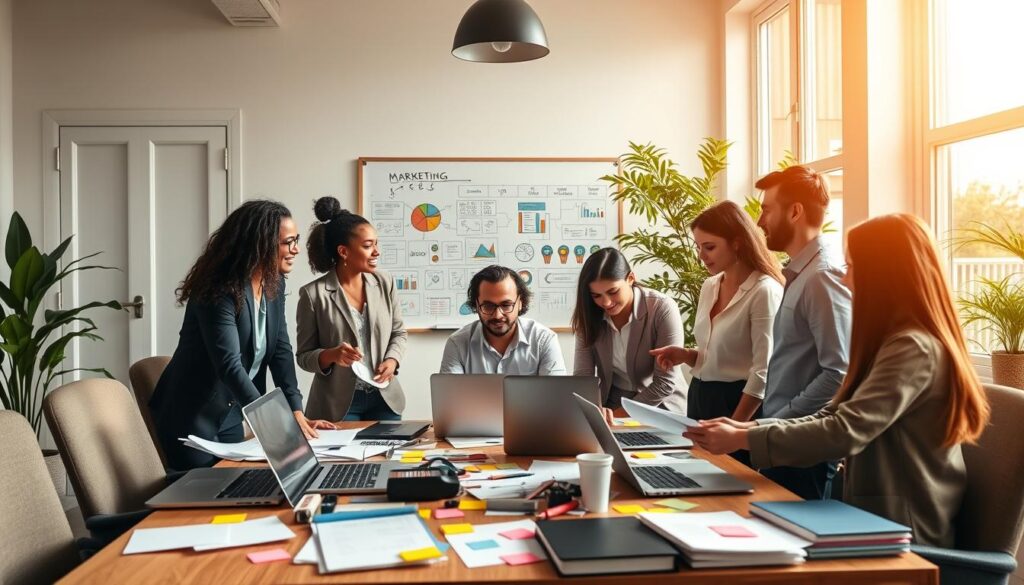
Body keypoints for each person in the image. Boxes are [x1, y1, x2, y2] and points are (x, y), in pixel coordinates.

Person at [684, 213, 990, 548]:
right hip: (871, 514)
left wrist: (744, 440)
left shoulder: (912, 348)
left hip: (904, 528)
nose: (844, 279)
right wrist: (745, 430)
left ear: (885, 274)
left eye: (853, 266)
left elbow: (845, 431)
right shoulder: (893, 341)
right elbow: (832, 415)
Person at [150, 200, 334, 471]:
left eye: (295, 240)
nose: (295, 249)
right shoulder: (217, 289)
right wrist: (277, 423)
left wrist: (295, 411)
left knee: (238, 484)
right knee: (208, 495)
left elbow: (281, 349)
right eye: (288, 242)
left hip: (230, 413)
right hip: (192, 417)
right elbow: (229, 365)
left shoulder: (274, 282)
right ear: (259, 243)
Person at [649, 201, 784, 460]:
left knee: (731, 483)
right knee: (698, 478)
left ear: (737, 242)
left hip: (737, 403)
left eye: (709, 247)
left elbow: (762, 370)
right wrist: (687, 354)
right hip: (700, 396)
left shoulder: (764, 291)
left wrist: (736, 427)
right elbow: (717, 354)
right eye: (698, 247)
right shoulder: (710, 286)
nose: (701, 255)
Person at [295, 197, 408, 422]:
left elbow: (399, 332)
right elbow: (304, 357)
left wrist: (393, 360)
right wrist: (332, 355)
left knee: (388, 458)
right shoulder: (312, 294)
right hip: (337, 405)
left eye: (376, 243)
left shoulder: (384, 282)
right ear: (343, 252)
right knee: (344, 459)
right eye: (368, 246)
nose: (376, 252)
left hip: (384, 398)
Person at [572, 248, 687, 419]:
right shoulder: (589, 314)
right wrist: (597, 415)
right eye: (596, 295)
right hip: (611, 403)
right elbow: (583, 378)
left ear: (631, 279)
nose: (606, 302)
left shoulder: (662, 308)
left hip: (661, 406)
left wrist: (617, 418)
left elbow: (664, 383)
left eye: (613, 292)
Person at [440, 265, 565, 375]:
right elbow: (450, 399)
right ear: (476, 305)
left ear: (520, 302)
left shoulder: (544, 340)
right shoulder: (457, 344)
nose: (498, 315)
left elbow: (555, 398)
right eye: (488, 306)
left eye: (506, 305)